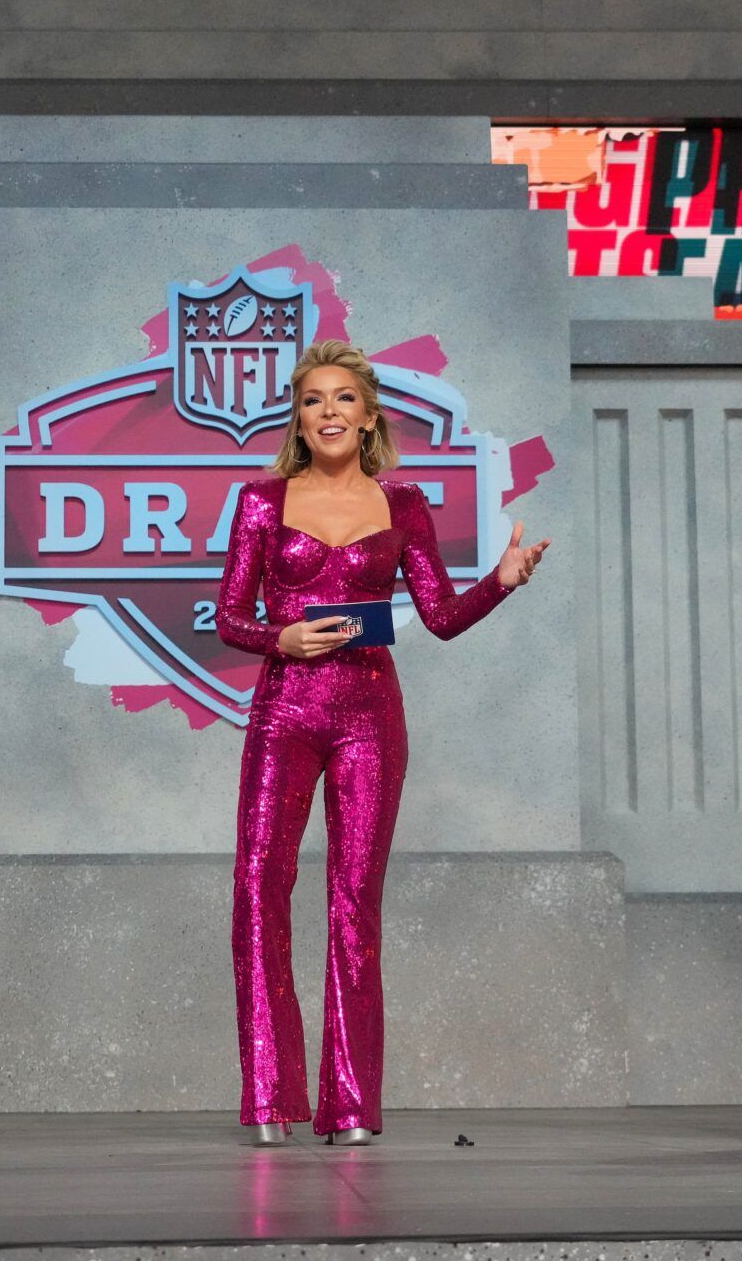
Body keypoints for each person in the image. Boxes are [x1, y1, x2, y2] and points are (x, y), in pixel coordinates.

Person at [216, 339, 548, 1147]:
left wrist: (499, 586)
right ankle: (270, 1097)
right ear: (299, 418)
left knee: (354, 904)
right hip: (284, 709)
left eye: (342, 399)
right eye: (311, 400)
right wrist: (279, 641)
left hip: (369, 716)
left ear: (368, 418)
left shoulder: (404, 505)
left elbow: (438, 620)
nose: (327, 412)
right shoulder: (261, 501)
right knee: (260, 890)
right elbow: (229, 616)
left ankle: (354, 1104)